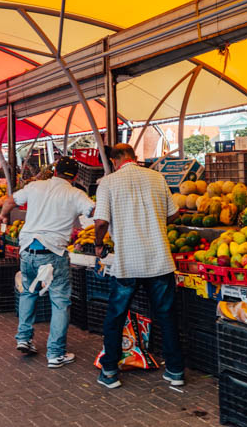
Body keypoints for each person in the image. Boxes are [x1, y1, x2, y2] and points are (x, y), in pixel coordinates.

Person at [93, 143, 183, 389]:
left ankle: (110, 372)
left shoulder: (108, 183)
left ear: (114, 161)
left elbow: (101, 221)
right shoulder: (157, 177)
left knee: (115, 318)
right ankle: (175, 371)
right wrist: (155, 221)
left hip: (127, 264)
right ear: (134, 157)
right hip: (159, 260)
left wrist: (98, 244)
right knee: (166, 316)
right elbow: (174, 214)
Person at [0, 157, 94, 368]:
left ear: (54, 171)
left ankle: (24, 338)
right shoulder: (75, 193)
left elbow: (10, 201)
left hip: (28, 250)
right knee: (60, 302)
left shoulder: (36, 186)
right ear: (75, 176)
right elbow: (94, 213)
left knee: (28, 293)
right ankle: (55, 353)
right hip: (53, 253)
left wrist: (3, 216)